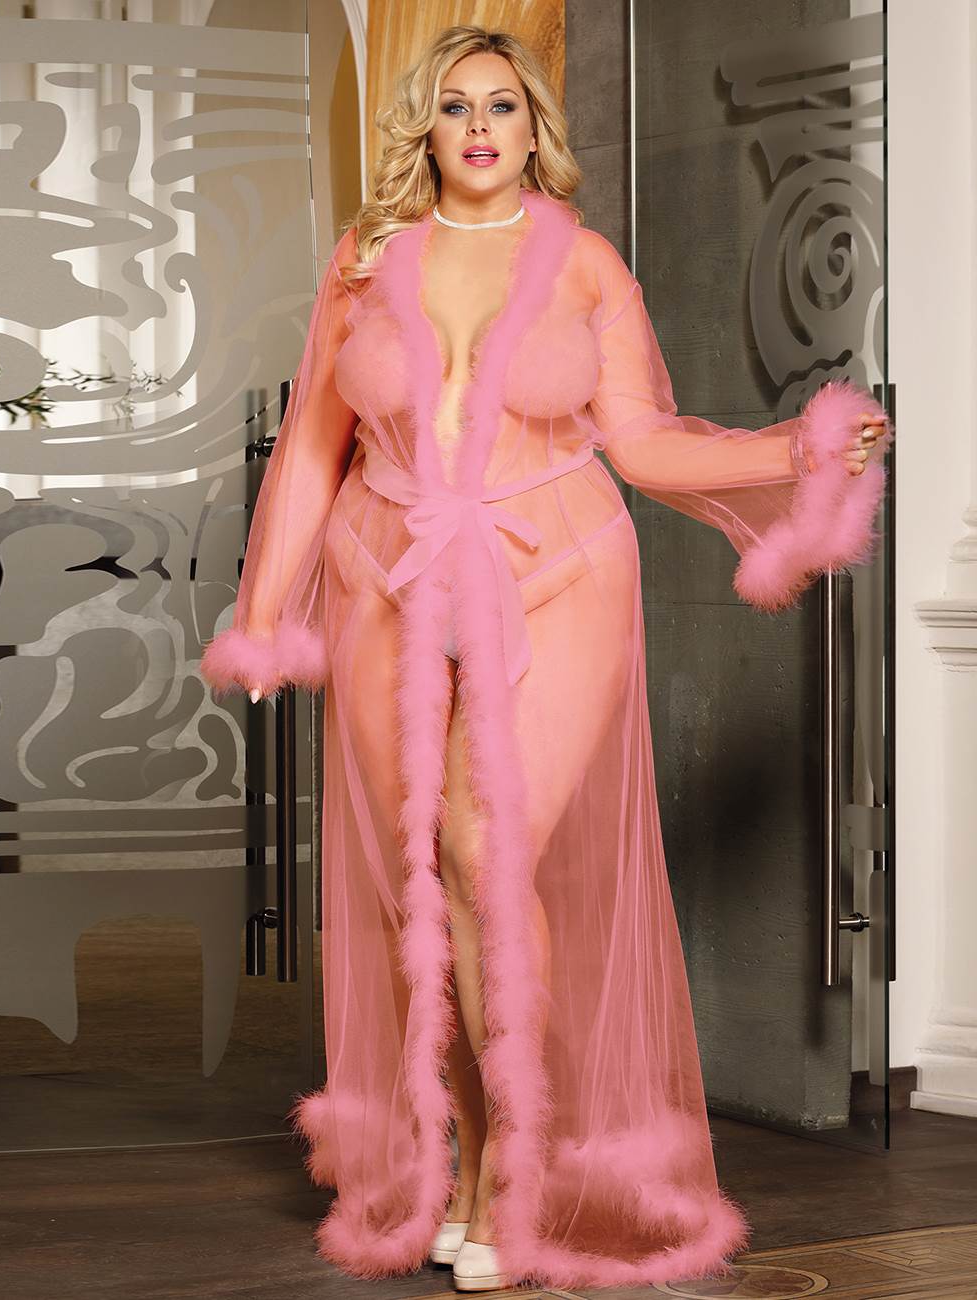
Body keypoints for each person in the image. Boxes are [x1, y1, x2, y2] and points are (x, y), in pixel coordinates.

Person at [200, 23, 893, 1295]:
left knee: (485, 845)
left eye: (503, 107)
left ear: (535, 130)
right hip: (384, 573)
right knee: (427, 881)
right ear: (426, 127)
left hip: (558, 568)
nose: (479, 127)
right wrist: (264, 610)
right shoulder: (366, 260)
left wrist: (793, 450)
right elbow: (311, 447)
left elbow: (643, 442)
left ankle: (519, 1164)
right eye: (456, 105)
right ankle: (472, 1163)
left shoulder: (584, 263)